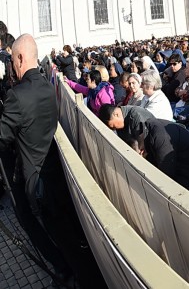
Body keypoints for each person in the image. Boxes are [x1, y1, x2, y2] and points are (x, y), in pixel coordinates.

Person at [1, 34, 104, 285]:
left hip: (38, 182)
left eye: (14, 60)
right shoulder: (48, 86)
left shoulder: (17, 96)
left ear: (21, 58)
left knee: (63, 240)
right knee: (70, 236)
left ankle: (81, 279)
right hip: (55, 172)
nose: (12, 66)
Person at [124, 118, 189, 196]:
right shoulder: (147, 129)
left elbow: (166, 176)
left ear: (141, 152)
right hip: (183, 163)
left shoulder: (160, 137)